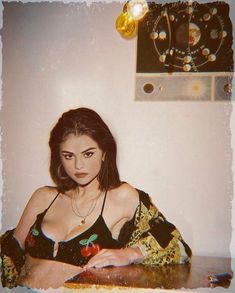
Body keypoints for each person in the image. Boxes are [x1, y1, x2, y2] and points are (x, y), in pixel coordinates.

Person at [1, 107, 192, 289]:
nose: (78, 165)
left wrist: (129, 253)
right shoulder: (43, 197)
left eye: (88, 154)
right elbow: (9, 254)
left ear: (104, 153)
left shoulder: (123, 197)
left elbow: (177, 247)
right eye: (68, 156)